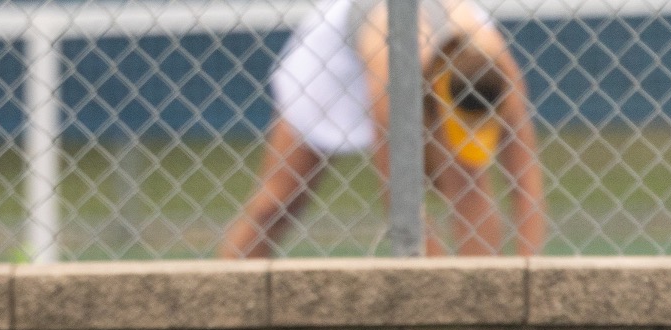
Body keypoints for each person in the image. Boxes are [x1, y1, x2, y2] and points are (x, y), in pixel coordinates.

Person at [220, 0, 547, 257]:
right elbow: (402, 206)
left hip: (430, 42)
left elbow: (526, 183)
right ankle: (221, 307)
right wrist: (447, 298)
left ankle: (485, 327)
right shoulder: (391, 81)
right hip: (339, 53)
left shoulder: (502, 76)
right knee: (275, 202)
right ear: (432, 98)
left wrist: (528, 284)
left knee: (470, 183)